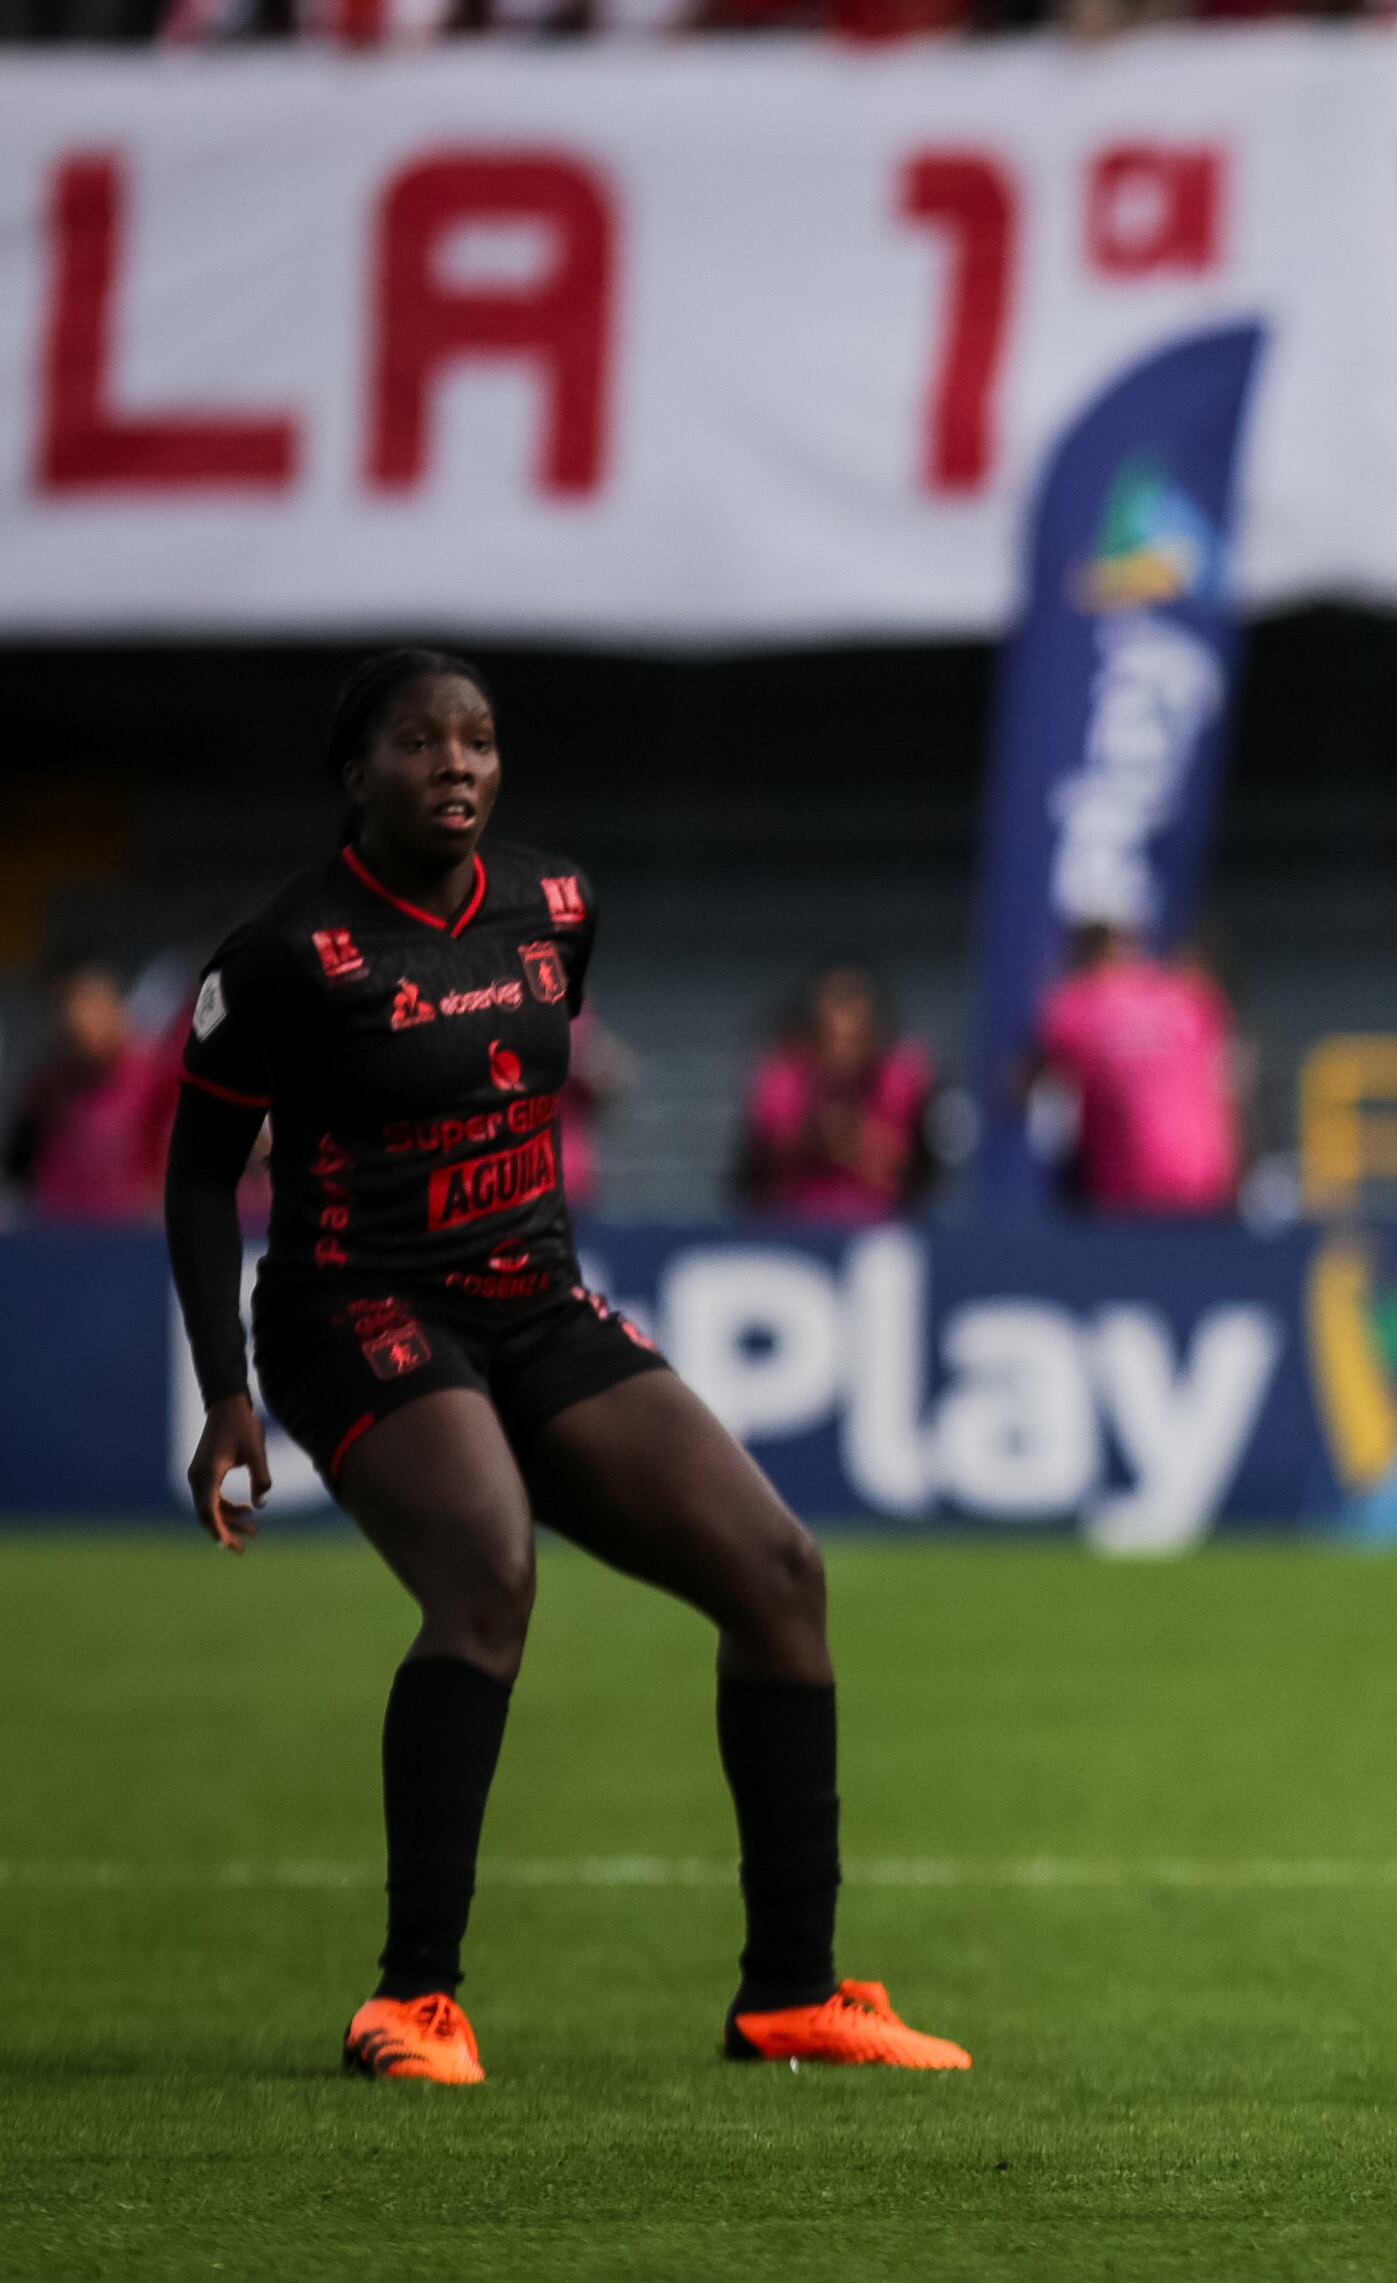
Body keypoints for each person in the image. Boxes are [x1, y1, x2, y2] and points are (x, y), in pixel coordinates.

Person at [166, 650, 968, 2085]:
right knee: (488, 1568)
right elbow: (195, 1176)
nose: (459, 765)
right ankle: (411, 2001)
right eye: (422, 743)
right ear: (358, 774)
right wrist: (226, 1383)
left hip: (534, 1302)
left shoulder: (556, 903)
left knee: (780, 1575)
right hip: (353, 1308)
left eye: (478, 740)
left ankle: (789, 1992)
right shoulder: (282, 954)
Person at [1027, 919, 1242, 1217]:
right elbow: (1228, 1089)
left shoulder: (1076, 1007)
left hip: (1128, 1197)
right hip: (1207, 1187)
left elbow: (1024, 1086)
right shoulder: (1191, 997)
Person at [735, 964, 936, 1222]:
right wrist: (816, 1136)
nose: (844, 1017)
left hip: (880, 1230)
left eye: (853, 999)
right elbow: (771, 1154)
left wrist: (852, 1139)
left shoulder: (901, 1072)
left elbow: (910, 1166)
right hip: (794, 1226)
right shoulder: (783, 1071)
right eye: (836, 1000)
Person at [6, 956, 171, 1221]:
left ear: (116, 1006)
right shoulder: (42, 1092)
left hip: (138, 1247)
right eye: (59, 1009)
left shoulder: (160, 1083)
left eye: (86, 1005)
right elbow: (18, 1181)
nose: (73, 1023)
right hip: (57, 1245)